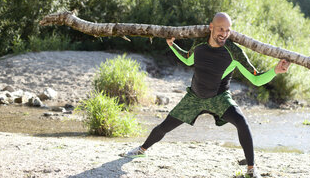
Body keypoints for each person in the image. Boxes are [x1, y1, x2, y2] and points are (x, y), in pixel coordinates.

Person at [123, 12, 290, 177]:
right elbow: (188, 59)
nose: (224, 34)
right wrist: (172, 45)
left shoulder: (234, 52)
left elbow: (256, 78)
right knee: (166, 125)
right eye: (220, 29)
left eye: (227, 30)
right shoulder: (200, 43)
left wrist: (275, 70)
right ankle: (141, 149)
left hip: (219, 99)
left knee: (242, 123)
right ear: (211, 27)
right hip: (194, 97)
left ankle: (251, 170)